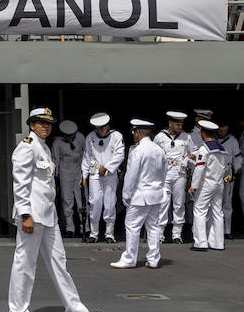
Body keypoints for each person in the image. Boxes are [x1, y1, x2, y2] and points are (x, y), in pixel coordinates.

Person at [7, 108, 102, 312]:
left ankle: (74, 308)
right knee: (25, 264)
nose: (45, 126)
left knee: (59, 263)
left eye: (48, 123)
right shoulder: (26, 148)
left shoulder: (44, 148)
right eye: (40, 122)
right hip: (32, 215)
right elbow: (20, 184)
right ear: (31, 125)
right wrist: (25, 214)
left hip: (48, 215)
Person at [111, 120, 167, 269]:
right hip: (156, 194)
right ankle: (154, 259)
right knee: (153, 227)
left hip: (140, 195)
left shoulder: (137, 151)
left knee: (132, 226)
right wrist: (159, 188)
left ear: (137, 133)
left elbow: (131, 175)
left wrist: (126, 195)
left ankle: (130, 258)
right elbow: (164, 173)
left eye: (134, 132)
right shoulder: (159, 149)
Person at [81, 113, 124, 243]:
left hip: (110, 174)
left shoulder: (116, 136)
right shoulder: (91, 137)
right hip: (94, 173)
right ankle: (94, 234)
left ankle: (109, 233)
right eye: (97, 128)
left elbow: (120, 154)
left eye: (102, 128)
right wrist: (84, 174)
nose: (99, 130)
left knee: (110, 203)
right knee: (95, 202)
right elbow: (86, 156)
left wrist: (107, 167)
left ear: (107, 126)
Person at [188, 120, 229, 251]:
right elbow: (226, 167)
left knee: (200, 211)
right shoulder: (222, 149)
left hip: (206, 184)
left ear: (203, 133)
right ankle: (218, 243)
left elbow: (199, 168)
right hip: (219, 184)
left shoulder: (204, 149)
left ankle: (201, 243)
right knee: (217, 212)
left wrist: (193, 186)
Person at [155, 111, 192, 244]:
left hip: (180, 173)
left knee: (179, 203)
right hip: (164, 173)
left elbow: (193, 154)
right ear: (170, 123)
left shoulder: (186, 137)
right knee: (163, 203)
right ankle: (160, 234)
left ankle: (177, 234)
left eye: (181, 124)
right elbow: (154, 156)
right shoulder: (160, 137)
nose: (179, 127)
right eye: (177, 124)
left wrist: (187, 161)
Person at [54, 119, 85, 237]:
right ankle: (70, 228)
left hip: (78, 169)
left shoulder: (80, 138)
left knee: (82, 198)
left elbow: (86, 154)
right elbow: (55, 160)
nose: (69, 138)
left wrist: (85, 172)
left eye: (71, 135)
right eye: (67, 135)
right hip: (65, 171)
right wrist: (56, 178)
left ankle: (84, 228)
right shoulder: (57, 143)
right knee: (67, 200)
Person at [218, 119, 242, 239]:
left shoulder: (232, 140)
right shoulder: (212, 139)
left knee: (227, 203)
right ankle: (215, 230)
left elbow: (238, 159)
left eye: (224, 130)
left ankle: (227, 230)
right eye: (220, 130)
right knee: (215, 203)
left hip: (227, 175)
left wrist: (235, 169)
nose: (222, 132)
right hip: (215, 175)